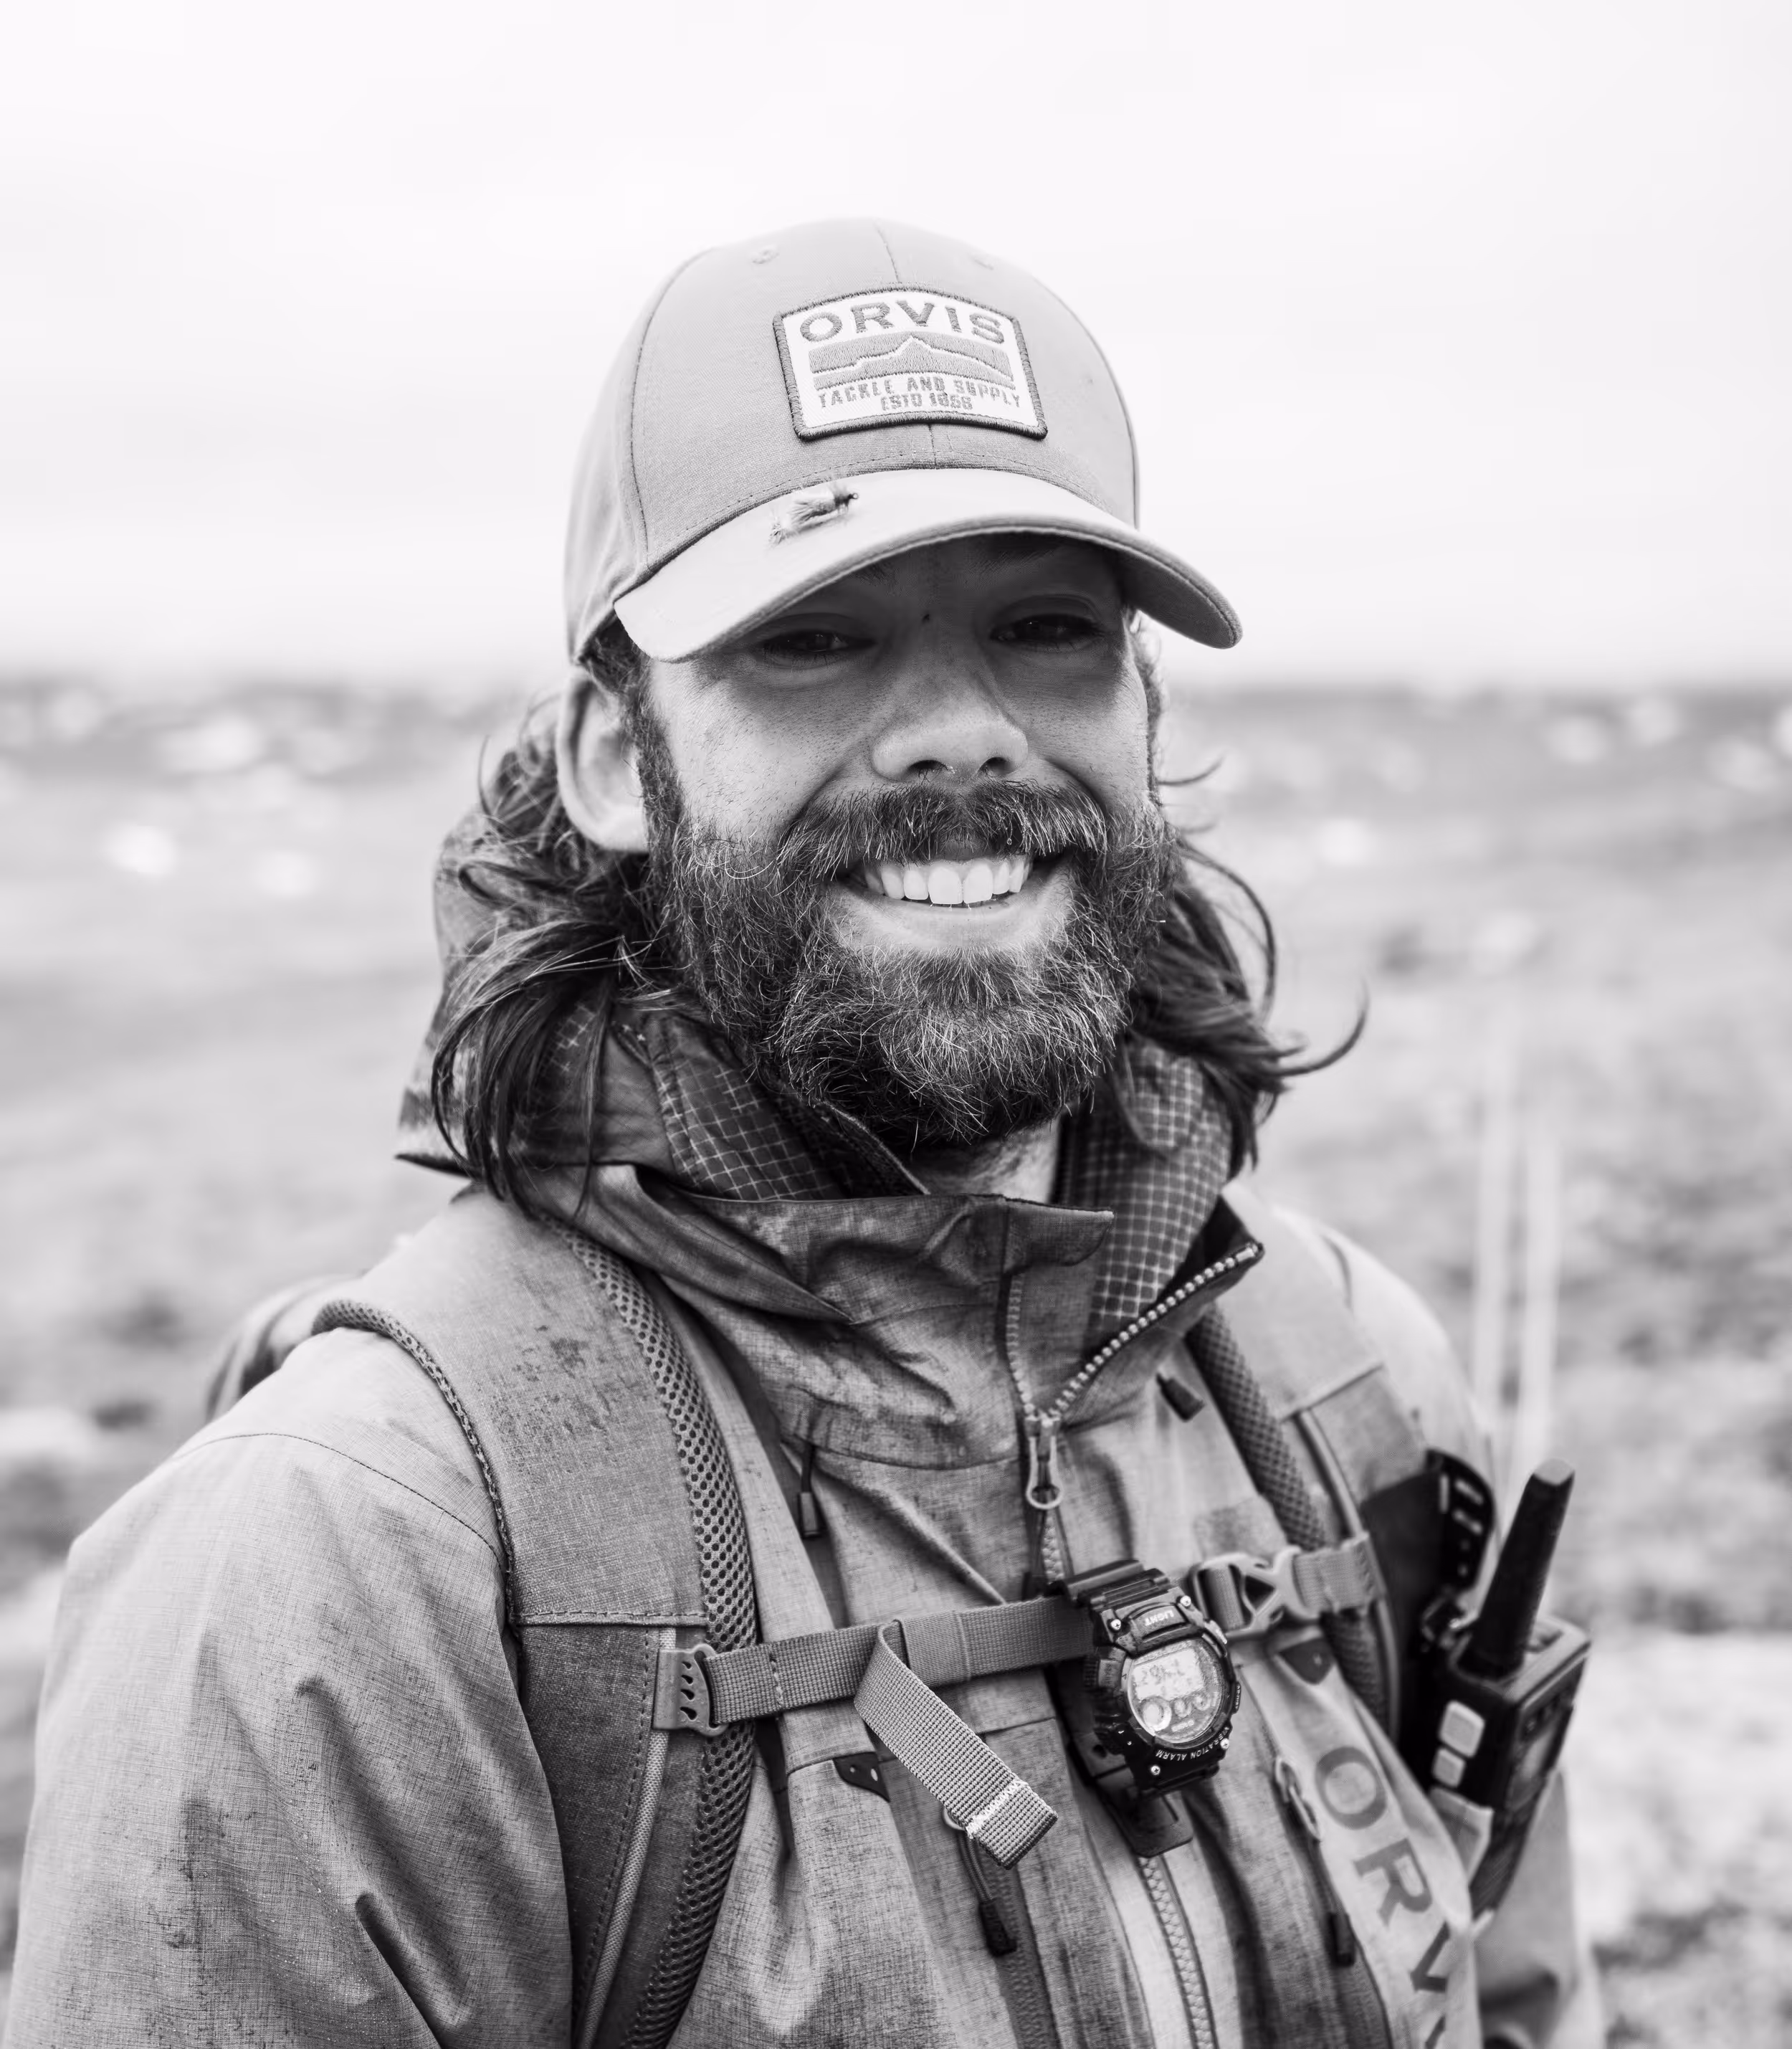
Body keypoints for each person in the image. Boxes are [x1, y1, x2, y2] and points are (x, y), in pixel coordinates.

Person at [4, 219, 1598, 2048]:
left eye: (1046, 629)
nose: (955, 732)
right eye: (813, 639)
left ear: (1141, 709)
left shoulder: (1345, 1387)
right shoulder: (339, 1559)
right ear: (616, 755)